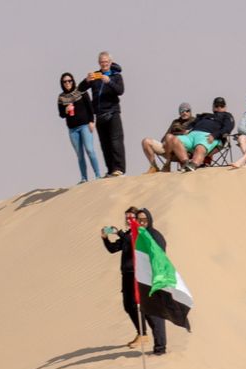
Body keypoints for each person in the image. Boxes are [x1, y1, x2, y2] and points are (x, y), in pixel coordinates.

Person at [100, 206, 169, 355]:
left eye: (134, 218)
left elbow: (156, 253)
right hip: (129, 275)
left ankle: (160, 348)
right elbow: (114, 248)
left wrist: (119, 232)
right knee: (130, 306)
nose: (130, 220)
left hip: (145, 277)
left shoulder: (149, 235)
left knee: (153, 313)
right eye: (129, 218)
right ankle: (142, 333)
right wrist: (105, 238)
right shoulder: (131, 234)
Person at [82, 52, 126, 176]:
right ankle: (111, 170)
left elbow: (120, 91)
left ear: (110, 62)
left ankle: (119, 169)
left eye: (106, 61)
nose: (104, 64)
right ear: (99, 63)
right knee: (105, 144)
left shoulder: (116, 76)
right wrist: (86, 80)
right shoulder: (96, 76)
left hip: (113, 112)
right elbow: (81, 89)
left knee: (116, 141)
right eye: (102, 62)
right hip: (99, 115)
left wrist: (109, 82)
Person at [166, 97, 234, 171]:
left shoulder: (227, 116)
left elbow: (227, 128)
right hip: (191, 135)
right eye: (217, 106)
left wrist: (214, 135)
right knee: (170, 138)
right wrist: (188, 129)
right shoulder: (205, 115)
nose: (219, 108)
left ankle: (193, 165)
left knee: (200, 147)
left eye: (221, 106)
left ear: (225, 107)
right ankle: (186, 163)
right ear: (213, 107)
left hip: (208, 136)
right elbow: (193, 123)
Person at [57, 72, 102, 183]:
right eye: (65, 81)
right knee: (80, 155)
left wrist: (92, 121)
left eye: (69, 81)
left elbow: (90, 107)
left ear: (73, 81)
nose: (67, 83)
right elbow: (61, 114)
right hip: (72, 130)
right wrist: (66, 110)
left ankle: (98, 175)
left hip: (85, 125)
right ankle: (84, 178)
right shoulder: (61, 97)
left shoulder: (80, 91)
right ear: (62, 83)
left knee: (90, 150)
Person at [142, 103, 194, 173]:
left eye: (187, 111)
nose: (184, 113)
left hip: (183, 150)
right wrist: (164, 142)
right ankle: (153, 166)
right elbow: (165, 136)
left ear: (190, 111)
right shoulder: (175, 122)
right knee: (146, 141)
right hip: (168, 147)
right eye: (182, 111)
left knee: (169, 137)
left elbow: (194, 137)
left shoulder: (194, 121)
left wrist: (182, 133)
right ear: (179, 113)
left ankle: (167, 164)